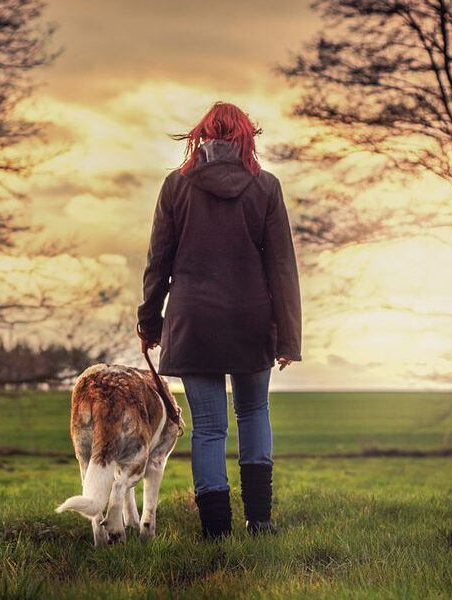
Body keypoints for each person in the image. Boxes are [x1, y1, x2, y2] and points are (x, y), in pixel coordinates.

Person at [136, 101, 302, 539]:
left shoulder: (176, 186)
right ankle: (260, 522)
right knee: (253, 412)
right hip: (251, 320)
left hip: (194, 323)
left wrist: (149, 323)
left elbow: (158, 262)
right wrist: (288, 338)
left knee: (208, 428)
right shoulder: (266, 187)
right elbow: (282, 266)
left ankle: (216, 532)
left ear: (201, 137)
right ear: (247, 138)